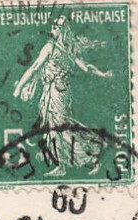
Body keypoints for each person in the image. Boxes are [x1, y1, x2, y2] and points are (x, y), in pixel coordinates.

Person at [12, 16, 112, 175]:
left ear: (64, 29)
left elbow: (35, 67)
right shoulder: (64, 48)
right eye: (53, 26)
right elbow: (86, 67)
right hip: (56, 92)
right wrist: (103, 74)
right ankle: (62, 165)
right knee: (55, 128)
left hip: (57, 93)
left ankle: (93, 153)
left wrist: (20, 86)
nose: (53, 29)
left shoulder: (52, 48)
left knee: (60, 127)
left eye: (57, 26)